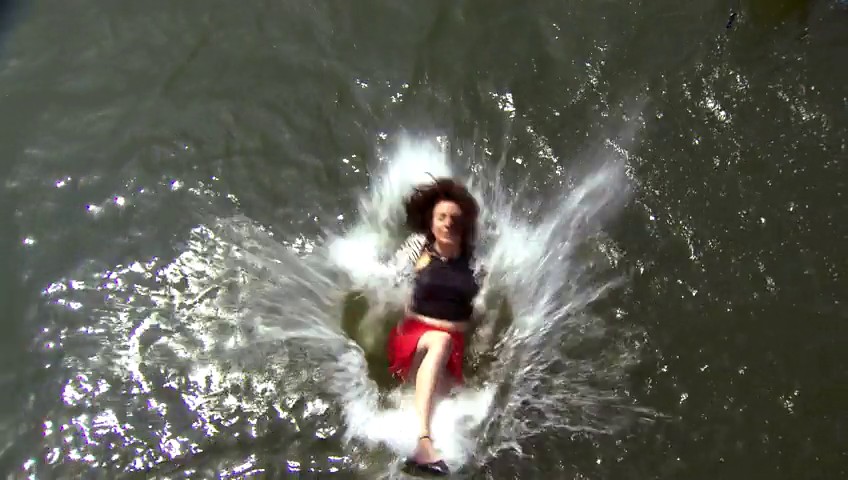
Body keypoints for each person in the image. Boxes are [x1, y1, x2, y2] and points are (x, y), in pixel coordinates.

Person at [386, 177, 485, 476]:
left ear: (464, 226)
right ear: (431, 222)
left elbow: (480, 313)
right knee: (441, 341)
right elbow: (388, 283)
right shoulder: (419, 248)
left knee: (448, 399)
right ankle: (423, 444)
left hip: (452, 346)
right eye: (441, 217)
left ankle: (412, 454)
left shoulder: (475, 264)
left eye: (454, 218)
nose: (447, 223)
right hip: (415, 338)